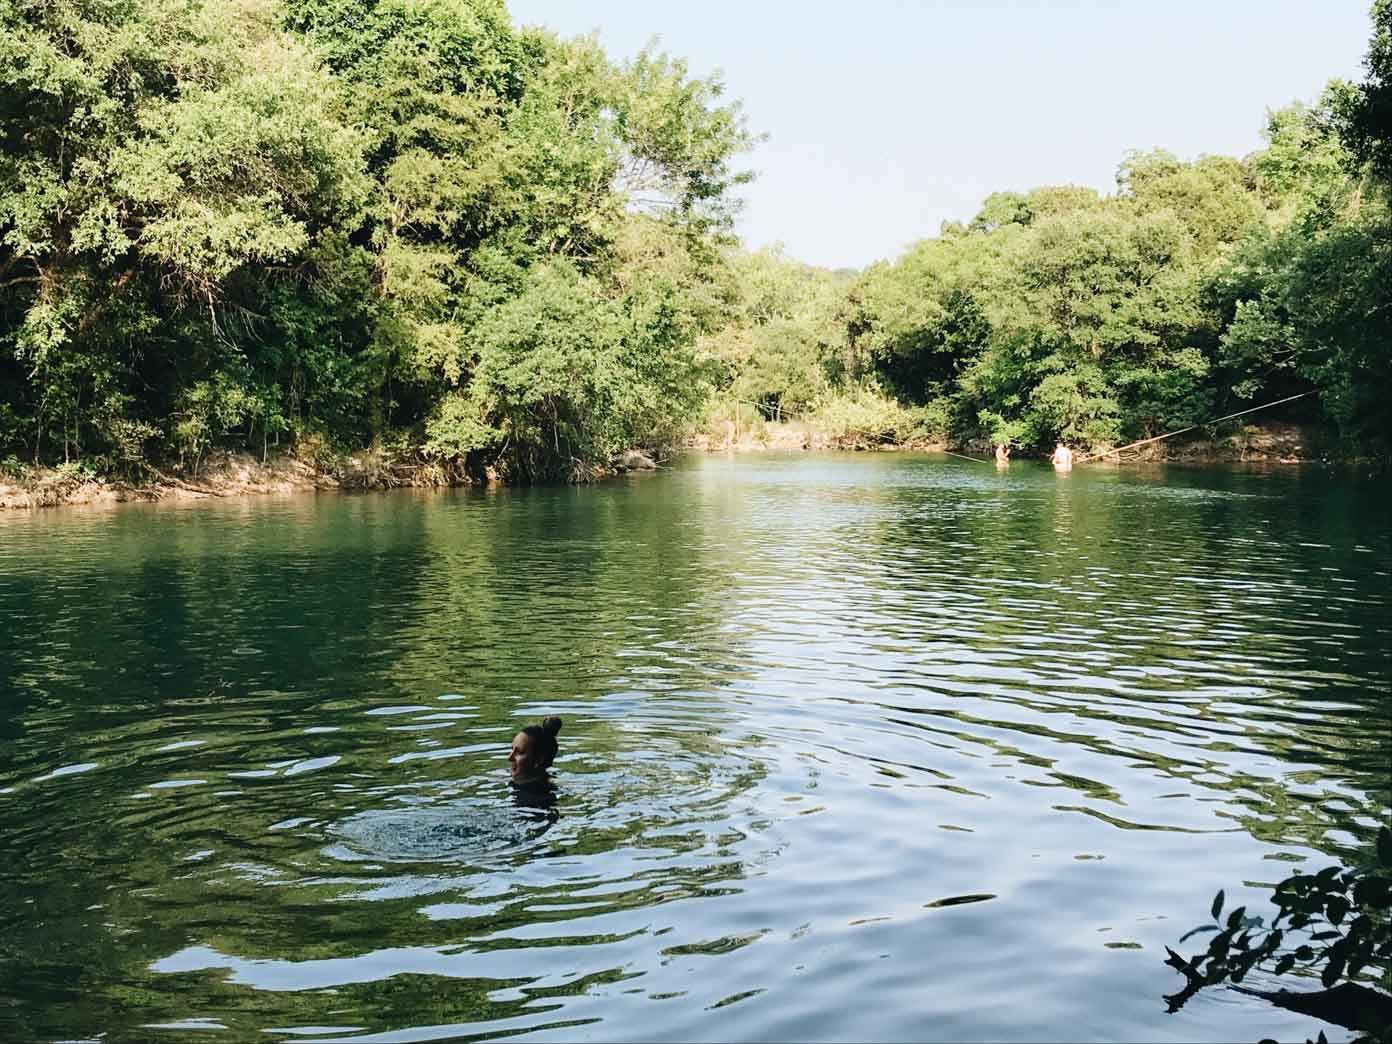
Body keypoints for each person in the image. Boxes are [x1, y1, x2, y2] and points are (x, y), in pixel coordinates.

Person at [509, 716, 562, 784]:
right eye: (512, 749)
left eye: (520, 752)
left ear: (539, 760)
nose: (510, 758)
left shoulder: (539, 793)